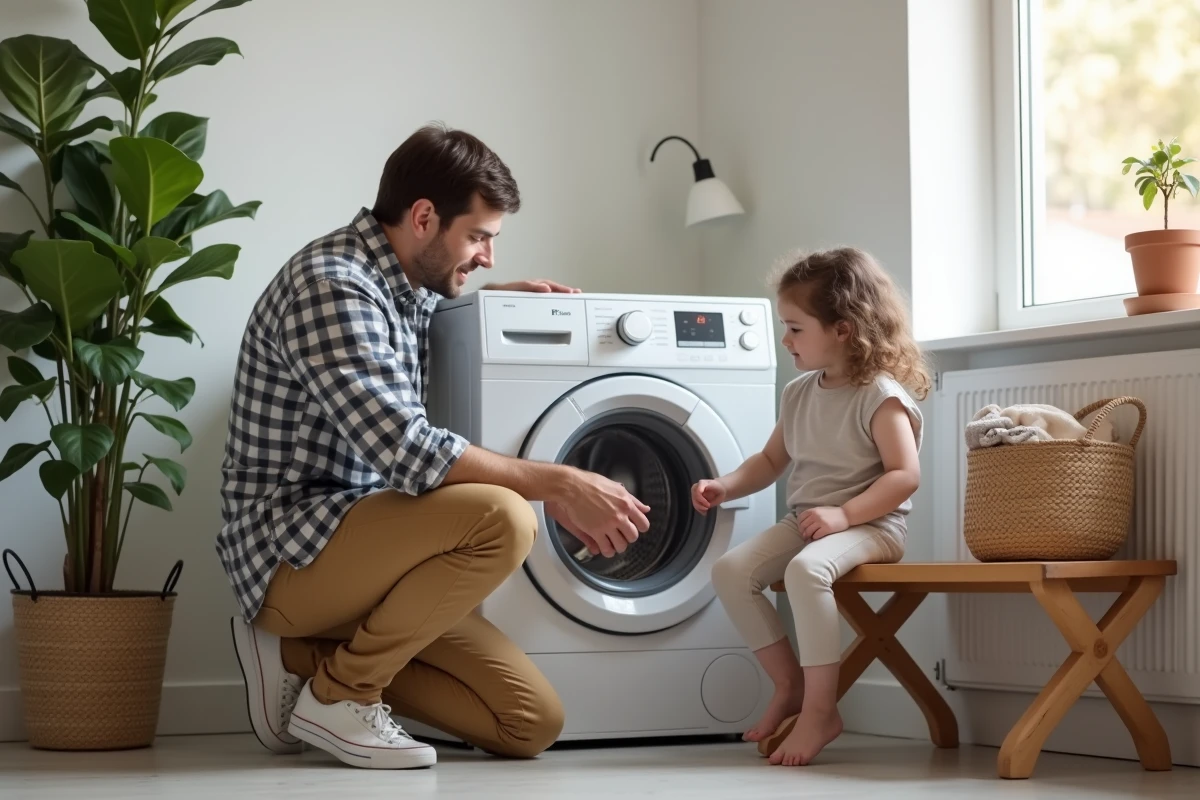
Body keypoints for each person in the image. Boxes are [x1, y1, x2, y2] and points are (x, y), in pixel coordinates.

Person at [217, 123, 651, 770]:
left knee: (529, 722)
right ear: (424, 217)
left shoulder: (401, 283)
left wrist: (483, 306)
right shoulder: (331, 285)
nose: (488, 257)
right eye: (479, 237)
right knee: (503, 516)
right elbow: (409, 452)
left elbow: (408, 323)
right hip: (294, 554)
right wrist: (558, 483)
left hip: (369, 556)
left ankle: (298, 657)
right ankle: (340, 694)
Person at [692, 247, 929, 767]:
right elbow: (771, 459)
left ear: (842, 329)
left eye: (796, 328)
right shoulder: (799, 393)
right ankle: (791, 686)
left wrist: (846, 515)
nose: (785, 340)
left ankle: (822, 711)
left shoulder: (880, 396)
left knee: (805, 573)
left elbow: (904, 475)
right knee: (731, 572)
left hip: (873, 525)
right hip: (808, 522)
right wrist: (726, 485)